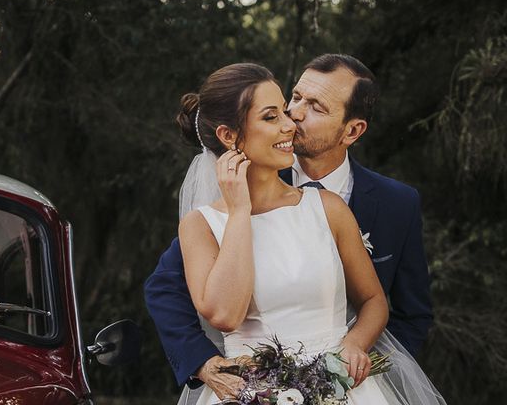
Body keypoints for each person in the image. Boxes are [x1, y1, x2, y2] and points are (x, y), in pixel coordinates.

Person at [147, 62, 444, 404]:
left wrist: (366, 367)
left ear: (352, 131)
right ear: (230, 136)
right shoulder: (210, 219)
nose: (294, 116)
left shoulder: (378, 204)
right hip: (252, 389)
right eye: (296, 98)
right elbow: (169, 289)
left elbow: (404, 310)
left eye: (315, 107)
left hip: (349, 385)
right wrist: (204, 362)